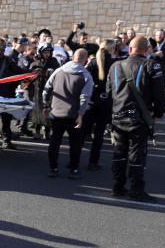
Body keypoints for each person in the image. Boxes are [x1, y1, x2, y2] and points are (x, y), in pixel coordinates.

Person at [106, 36, 165, 202]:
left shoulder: (115, 65)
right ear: (147, 50)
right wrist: (157, 115)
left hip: (117, 116)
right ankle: (136, 189)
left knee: (119, 152)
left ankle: (117, 186)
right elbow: (159, 95)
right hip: (138, 119)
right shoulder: (152, 65)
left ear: (130, 49)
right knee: (137, 154)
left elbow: (109, 91)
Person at [42, 49, 93, 179]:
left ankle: (53, 168)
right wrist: (81, 115)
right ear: (86, 59)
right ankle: (74, 170)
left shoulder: (59, 71)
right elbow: (85, 97)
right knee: (75, 144)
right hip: (73, 115)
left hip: (57, 113)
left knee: (55, 142)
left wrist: (46, 105)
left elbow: (46, 89)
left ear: (73, 56)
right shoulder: (86, 75)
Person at [83, 39, 118, 171]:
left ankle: (73, 161)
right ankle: (93, 162)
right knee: (99, 134)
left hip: (92, 101)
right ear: (112, 49)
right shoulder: (115, 63)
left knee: (84, 132)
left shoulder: (92, 63)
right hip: (106, 102)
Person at [29, 42, 61, 140]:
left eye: (49, 52)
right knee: (38, 110)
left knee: (49, 110)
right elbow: (28, 78)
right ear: (40, 52)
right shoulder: (35, 64)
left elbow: (59, 74)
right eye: (45, 52)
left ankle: (47, 131)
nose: (47, 54)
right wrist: (35, 74)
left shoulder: (54, 62)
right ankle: (37, 131)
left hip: (50, 91)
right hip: (37, 91)